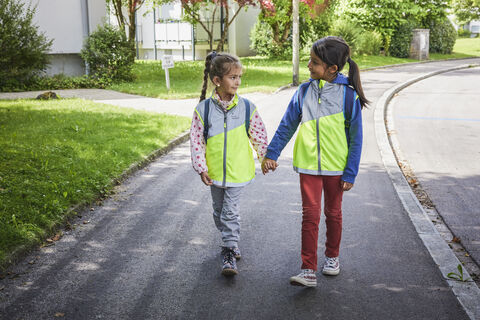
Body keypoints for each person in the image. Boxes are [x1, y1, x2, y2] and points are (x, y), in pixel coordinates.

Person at [262, 36, 368, 287]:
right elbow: (287, 125)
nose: (308, 65)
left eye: (315, 62)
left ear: (332, 69)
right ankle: (308, 268)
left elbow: (356, 139)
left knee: (333, 213)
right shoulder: (304, 91)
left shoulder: (348, 96)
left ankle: (332, 257)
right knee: (310, 216)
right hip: (308, 165)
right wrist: (272, 153)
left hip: (336, 168)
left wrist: (350, 173)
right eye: (310, 60)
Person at [190, 52, 268, 276]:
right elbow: (197, 141)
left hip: (238, 172)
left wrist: (265, 158)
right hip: (214, 173)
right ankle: (231, 241)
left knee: (229, 213)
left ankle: (228, 251)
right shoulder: (203, 110)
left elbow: (259, 135)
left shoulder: (246, 107)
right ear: (217, 81)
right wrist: (201, 167)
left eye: (239, 77)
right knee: (218, 212)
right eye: (232, 77)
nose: (238, 82)